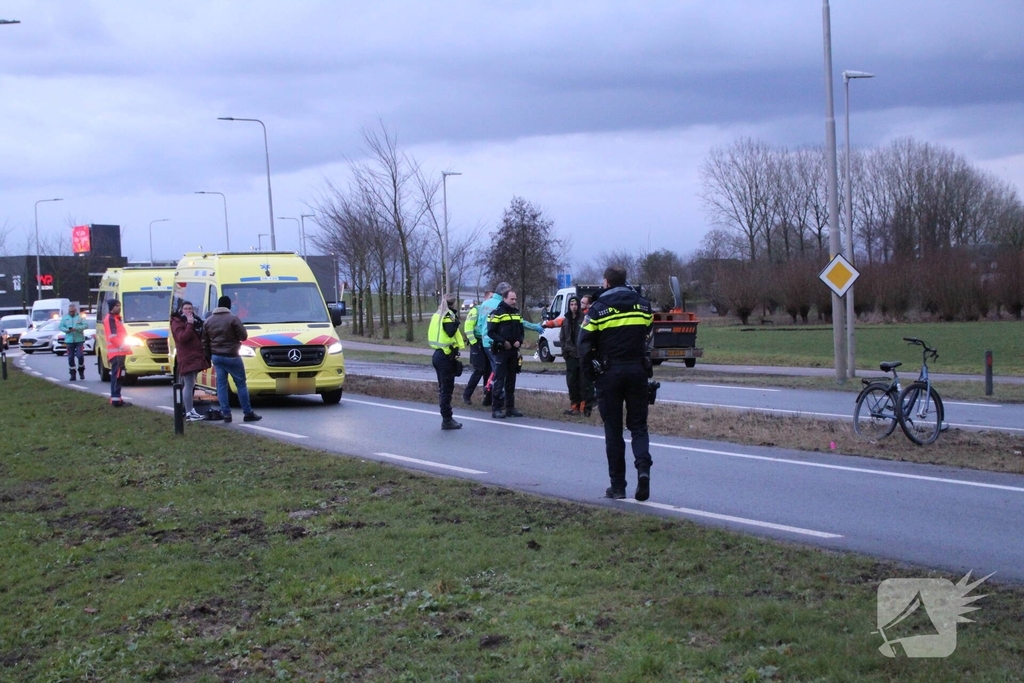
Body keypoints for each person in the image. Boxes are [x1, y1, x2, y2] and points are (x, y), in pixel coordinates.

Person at [578, 265, 654, 501]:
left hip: (609, 373)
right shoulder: (643, 305)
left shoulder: (598, 309)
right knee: (639, 426)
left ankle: (618, 486)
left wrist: (590, 373)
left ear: (607, 282)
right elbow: (649, 333)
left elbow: (583, 343)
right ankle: (643, 470)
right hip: (638, 371)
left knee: (613, 432)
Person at [202, 295, 262, 424]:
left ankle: (226, 414)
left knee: (221, 386)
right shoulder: (233, 319)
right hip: (232, 356)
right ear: (229, 306)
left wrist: (209, 356)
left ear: (218, 305)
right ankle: (247, 413)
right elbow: (244, 336)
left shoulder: (208, 321)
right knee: (241, 384)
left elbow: (204, 341)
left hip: (217, 357)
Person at [486, 288, 528, 419]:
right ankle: (496, 408)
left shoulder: (516, 313)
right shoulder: (496, 313)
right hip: (501, 351)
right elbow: (491, 332)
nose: (514, 301)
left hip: (513, 351)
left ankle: (510, 407)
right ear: (504, 299)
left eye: (515, 299)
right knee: (499, 379)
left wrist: (519, 341)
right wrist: (503, 342)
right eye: (512, 299)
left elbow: (521, 331)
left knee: (511, 379)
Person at [428, 293, 465, 430]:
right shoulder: (448, 316)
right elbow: (450, 332)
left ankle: (447, 418)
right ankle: (447, 419)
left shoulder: (437, 314)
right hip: (445, 356)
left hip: (438, 354)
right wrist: (456, 320)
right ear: (453, 303)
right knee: (446, 389)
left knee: (443, 388)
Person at [170, 301, 211, 422]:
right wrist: (189, 324)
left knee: (191, 384)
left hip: (194, 356)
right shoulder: (177, 322)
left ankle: (190, 410)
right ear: (181, 310)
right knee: (188, 385)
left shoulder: (195, 321)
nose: (188, 311)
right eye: (186, 309)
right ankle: (189, 412)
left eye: (190, 309)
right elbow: (182, 338)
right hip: (187, 357)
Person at [461, 290, 493, 405]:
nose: (492, 300)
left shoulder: (493, 311)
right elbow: (468, 326)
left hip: (487, 343)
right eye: (490, 297)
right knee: (479, 370)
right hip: (477, 343)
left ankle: (487, 398)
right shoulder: (477, 310)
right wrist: (474, 342)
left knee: (489, 371)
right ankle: (466, 395)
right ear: (485, 299)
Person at [558, 295, 586, 415]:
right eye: (571, 305)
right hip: (570, 355)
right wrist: (565, 352)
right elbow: (562, 337)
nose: (574, 307)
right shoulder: (566, 320)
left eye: (575, 305)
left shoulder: (584, 319)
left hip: (582, 355)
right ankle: (574, 406)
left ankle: (584, 408)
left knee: (583, 382)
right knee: (572, 382)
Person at [103, 299, 130, 406]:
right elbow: (112, 336)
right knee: (117, 376)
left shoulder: (116, 318)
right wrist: (122, 345)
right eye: (116, 306)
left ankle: (117, 398)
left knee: (120, 375)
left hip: (120, 352)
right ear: (111, 307)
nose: (119, 307)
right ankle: (115, 399)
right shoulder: (110, 319)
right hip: (117, 352)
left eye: (120, 305)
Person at [578, 294, 597, 416]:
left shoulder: (590, 315)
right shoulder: (580, 316)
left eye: (583, 303)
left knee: (590, 381)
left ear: (589, 304)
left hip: (591, 352)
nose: (581, 305)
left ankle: (589, 406)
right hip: (582, 352)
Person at [59, 302, 87, 381]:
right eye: (70, 311)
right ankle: (72, 373)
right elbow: (61, 326)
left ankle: (81, 370)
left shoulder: (80, 317)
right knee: (70, 357)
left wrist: (78, 328)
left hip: (79, 340)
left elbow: (85, 325)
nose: (72, 313)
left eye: (73, 311)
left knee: (80, 356)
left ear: (75, 310)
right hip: (69, 340)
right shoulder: (65, 318)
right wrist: (67, 330)